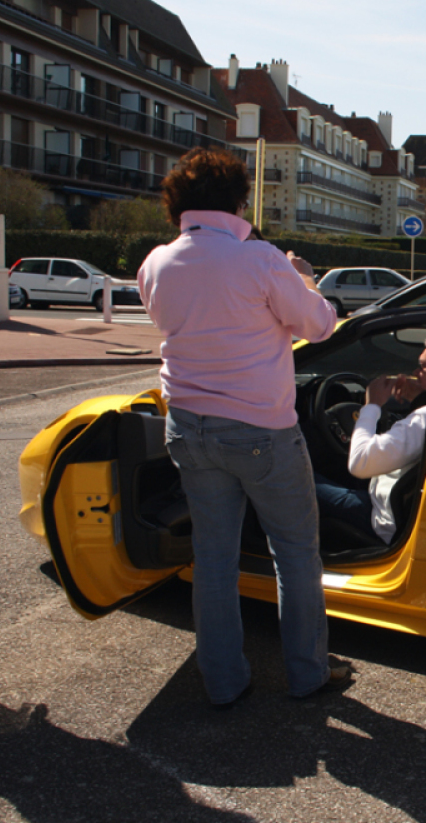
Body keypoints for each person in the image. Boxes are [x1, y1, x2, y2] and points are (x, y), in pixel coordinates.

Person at [138, 147, 345, 709]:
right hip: (260, 430)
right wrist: (302, 279)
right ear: (237, 200)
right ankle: (307, 673)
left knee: (214, 557)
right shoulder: (260, 260)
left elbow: (171, 320)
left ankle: (224, 681)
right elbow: (320, 325)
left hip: (186, 426)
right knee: (296, 552)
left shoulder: (155, 263)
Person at [315, 334, 426, 543]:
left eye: (424, 367)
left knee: (293, 476)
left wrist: (372, 406)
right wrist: (418, 399)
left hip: (381, 519)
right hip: (399, 507)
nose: (415, 373)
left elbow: (360, 463)